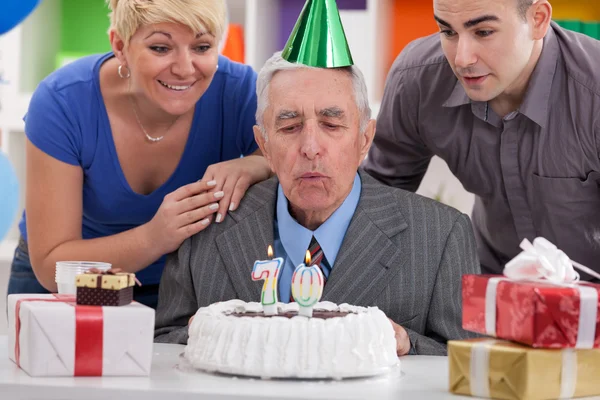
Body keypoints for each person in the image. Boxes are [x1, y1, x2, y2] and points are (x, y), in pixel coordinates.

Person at [154, 41, 481, 354]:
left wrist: (407, 342)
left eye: (331, 124)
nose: (310, 147)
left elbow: (468, 362)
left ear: (365, 139)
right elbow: (164, 343)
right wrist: (201, 333)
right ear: (264, 144)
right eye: (290, 127)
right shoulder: (207, 227)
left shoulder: (441, 235)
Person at [6, 0, 272, 308]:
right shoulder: (63, 101)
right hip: (70, 284)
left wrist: (257, 163)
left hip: (182, 283)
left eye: (201, 47)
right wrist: (154, 238)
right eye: (161, 48)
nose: (185, 68)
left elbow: (301, 165)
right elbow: (52, 266)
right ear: (120, 45)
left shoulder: (239, 91)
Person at [363, 0, 600, 280]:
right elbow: (378, 205)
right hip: (486, 288)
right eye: (448, 31)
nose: (462, 59)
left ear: (538, 19)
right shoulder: (417, 80)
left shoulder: (592, 92)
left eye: (484, 32)